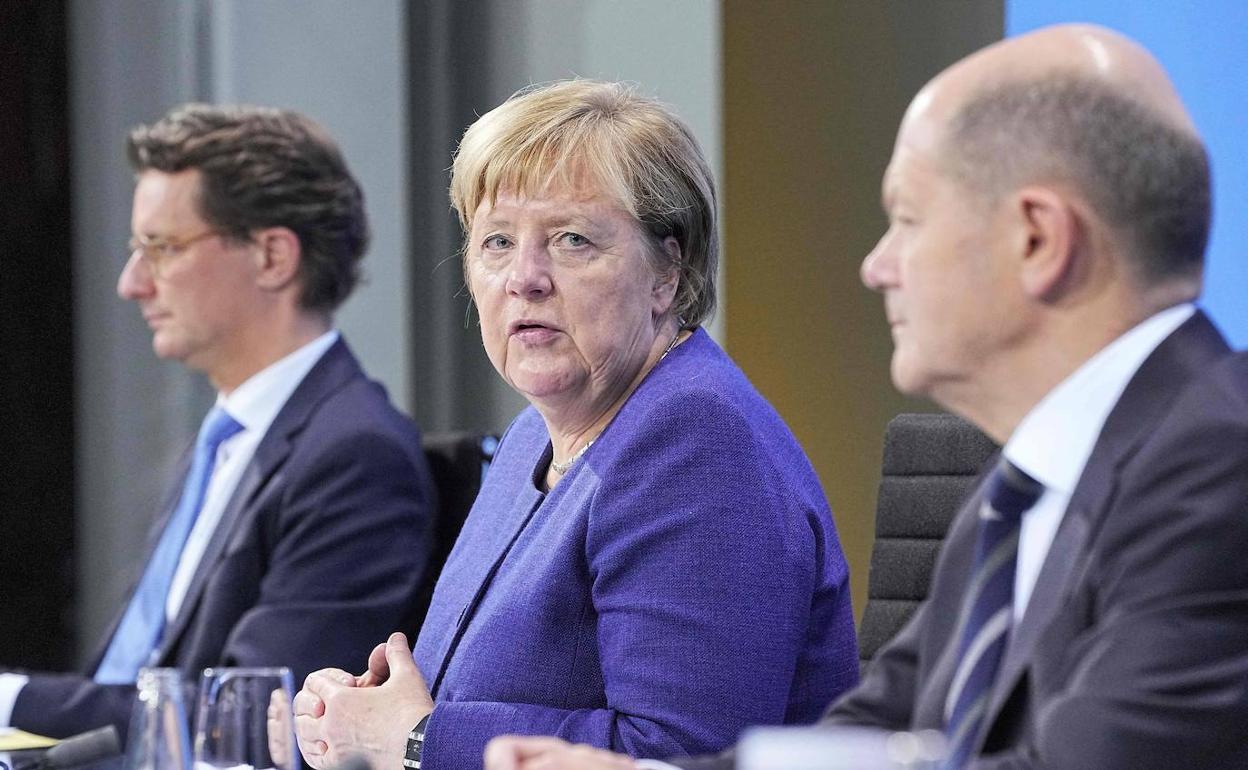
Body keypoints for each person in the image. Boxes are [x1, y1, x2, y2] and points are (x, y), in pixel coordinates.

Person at [481, 23, 1248, 770]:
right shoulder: (1021, 484)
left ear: (1039, 241)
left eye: (908, 221)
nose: (877, 266)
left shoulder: (1219, 471)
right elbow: (874, 733)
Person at [290, 80, 860, 770]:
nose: (523, 278)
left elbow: (680, 754)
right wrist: (357, 714)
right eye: (496, 241)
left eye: (572, 241)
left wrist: (414, 740)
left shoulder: (697, 443)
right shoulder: (537, 432)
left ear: (667, 274)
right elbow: (467, 695)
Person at [0, 104, 435, 741]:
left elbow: (257, 723)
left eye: (160, 248)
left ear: (271, 257)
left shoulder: (356, 455)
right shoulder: (227, 438)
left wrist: (9, 700)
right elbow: (148, 677)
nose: (131, 283)